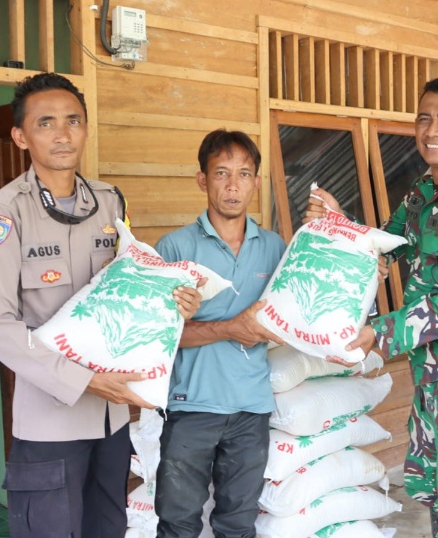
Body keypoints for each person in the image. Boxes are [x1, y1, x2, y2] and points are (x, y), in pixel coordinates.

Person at [0, 72, 202, 538]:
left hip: (111, 422)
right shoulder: (1, 214)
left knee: (108, 529)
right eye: (46, 122)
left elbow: (129, 288)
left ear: (86, 128)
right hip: (49, 424)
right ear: (20, 135)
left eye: (73, 120)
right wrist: (84, 378)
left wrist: (173, 302)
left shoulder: (110, 203)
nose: (62, 133)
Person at [305, 78, 438, 538]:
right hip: (431, 362)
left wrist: (378, 333)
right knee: (436, 483)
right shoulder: (423, 190)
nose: (431, 130)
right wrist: (337, 225)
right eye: (424, 118)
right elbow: (386, 244)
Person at [154, 130, 286, 538]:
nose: (233, 185)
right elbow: (159, 337)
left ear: (257, 183)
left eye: (244, 174)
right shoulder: (174, 248)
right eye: (222, 173)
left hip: (251, 409)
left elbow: (289, 320)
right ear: (202, 179)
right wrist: (230, 328)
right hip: (191, 406)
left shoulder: (274, 248)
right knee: (177, 523)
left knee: (238, 523)